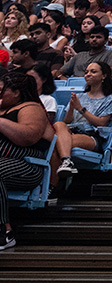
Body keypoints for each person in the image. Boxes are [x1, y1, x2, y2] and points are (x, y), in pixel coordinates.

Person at [0, 72, 53, 250]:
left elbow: (27, 137)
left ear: (17, 92)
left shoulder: (30, 107)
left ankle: (4, 232)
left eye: (1, 91)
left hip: (28, 164)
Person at [52, 61, 112, 178]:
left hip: (92, 135)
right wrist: (72, 108)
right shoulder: (80, 96)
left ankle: (51, 187)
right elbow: (67, 121)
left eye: (93, 72)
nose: (88, 74)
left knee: (57, 143)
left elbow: (101, 123)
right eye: (86, 72)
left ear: (104, 76)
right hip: (71, 130)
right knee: (58, 124)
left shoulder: (111, 99)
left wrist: (81, 109)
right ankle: (66, 161)